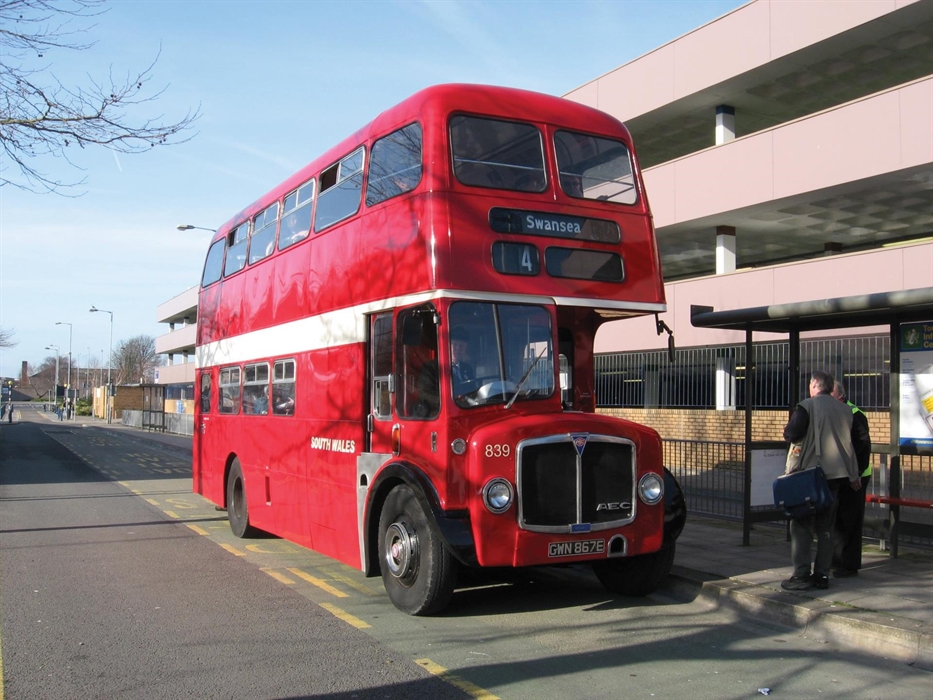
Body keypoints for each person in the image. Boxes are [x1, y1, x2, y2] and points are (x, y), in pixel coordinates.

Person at [781, 370, 861, 591]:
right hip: (835, 477)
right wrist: (853, 475)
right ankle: (822, 575)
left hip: (810, 475)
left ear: (815, 384)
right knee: (826, 527)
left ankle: (801, 574)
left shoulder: (806, 406)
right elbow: (849, 445)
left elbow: (792, 433)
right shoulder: (845, 410)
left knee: (801, 525)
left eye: (810, 383)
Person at [831, 381, 872, 577]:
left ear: (840, 396)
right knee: (838, 519)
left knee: (851, 520)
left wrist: (857, 474)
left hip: (856, 477)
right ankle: (837, 560)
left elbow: (862, 447)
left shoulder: (855, 414)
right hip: (841, 474)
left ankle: (849, 564)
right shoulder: (835, 412)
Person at [449, 328, 475, 398]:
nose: (458, 348)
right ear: (448, 346)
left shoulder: (468, 368)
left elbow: (473, 390)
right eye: (455, 344)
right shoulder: (435, 368)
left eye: (461, 346)